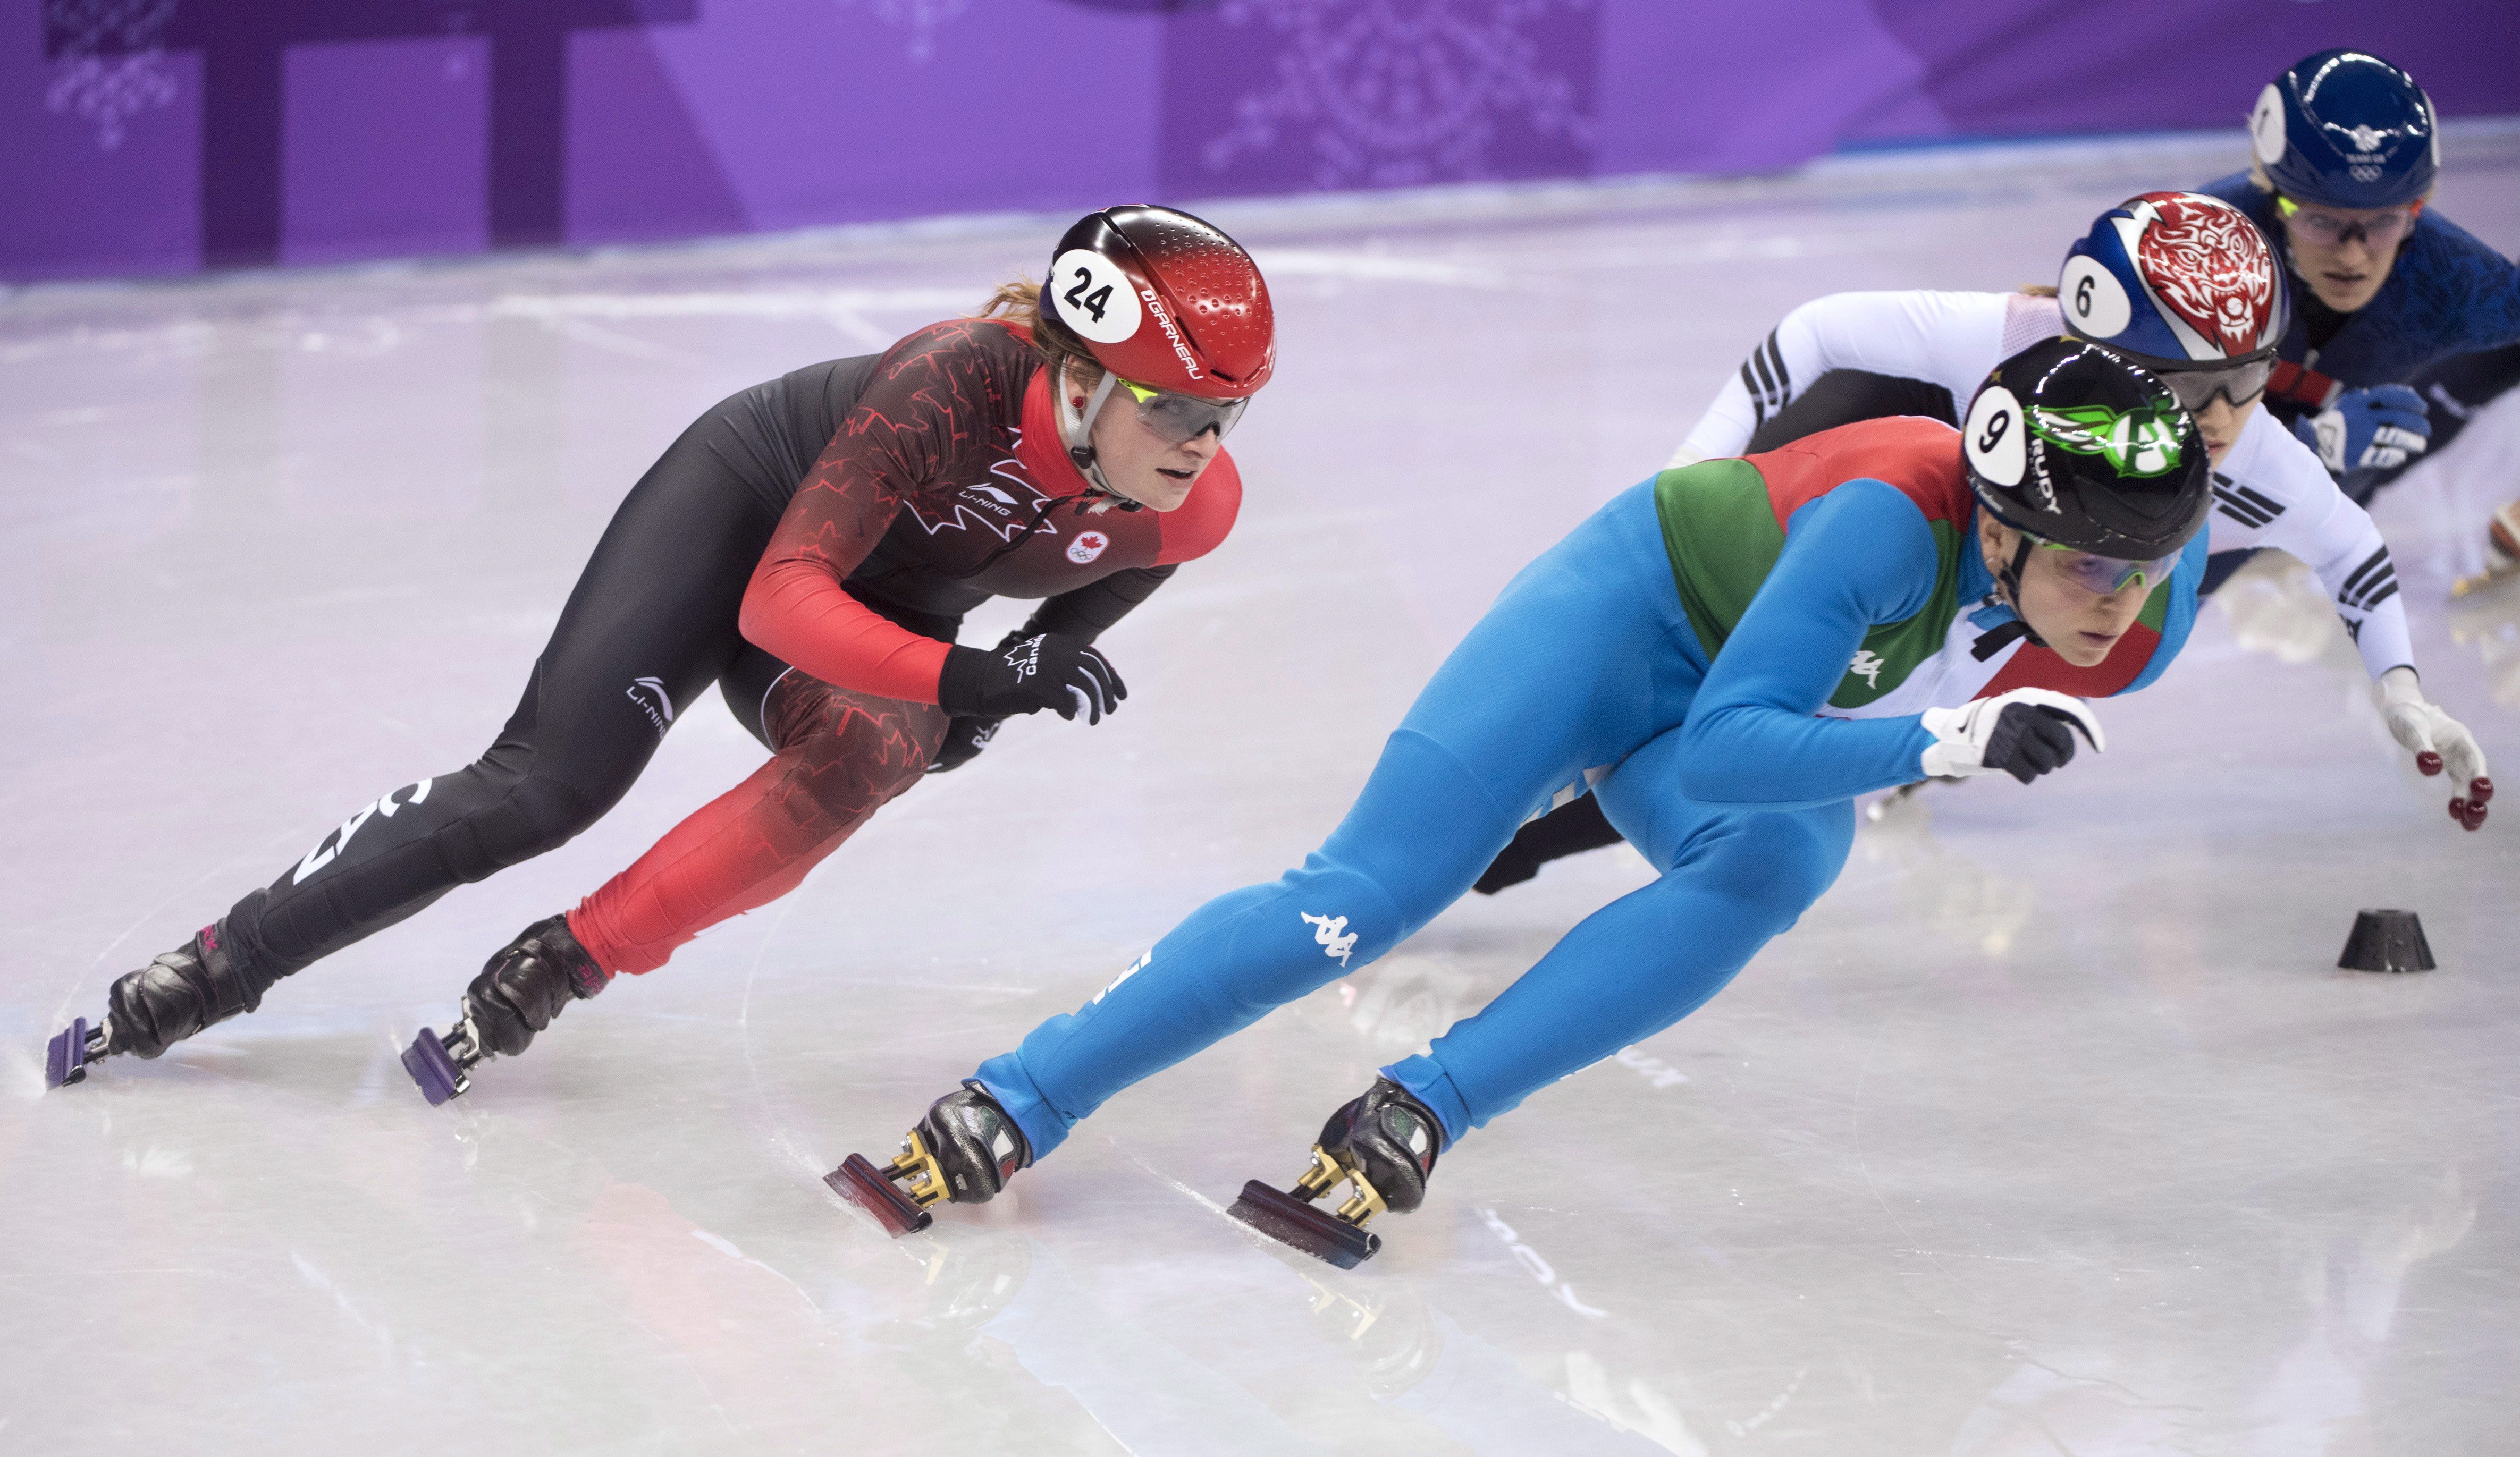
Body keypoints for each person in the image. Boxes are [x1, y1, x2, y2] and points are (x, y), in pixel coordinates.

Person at [832, 340, 2213, 1263]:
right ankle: (1014, 1098)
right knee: (1361, 903)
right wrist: (1944, 738)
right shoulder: (1885, 520)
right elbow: (1733, 744)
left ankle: (1418, 1110)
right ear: (2002, 525)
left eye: (2148, 566)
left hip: (1702, 685)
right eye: (2095, 568)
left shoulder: (2099, 556)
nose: (2123, 599)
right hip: (1606, 628)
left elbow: (1752, 750)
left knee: (1781, 861)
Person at [45, 206, 1276, 1098]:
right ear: (1078, 376)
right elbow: (782, 600)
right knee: (544, 790)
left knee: (881, 749)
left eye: (1225, 413)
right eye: (1173, 405)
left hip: (879, 600)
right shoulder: (953, 384)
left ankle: (566, 957)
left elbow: (1047, 645)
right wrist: (969, 676)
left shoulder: (1191, 510)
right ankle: (218, 965)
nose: (1201, 441)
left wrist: (988, 696)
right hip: (747, 516)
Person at [1476, 190, 2493, 897]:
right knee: (1751, 680)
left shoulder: (2247, 445)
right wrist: (1691, 475)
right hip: (1983, 556)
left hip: (2050, 608)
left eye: (2251, 380)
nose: (2227, 418)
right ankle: (1502, 834)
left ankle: (1509, 840)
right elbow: (1818, 332)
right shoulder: (2011, 337)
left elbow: (2351, 550)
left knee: (1779, 722)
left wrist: (2404, 693)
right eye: (2195, 389)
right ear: (2093, 347)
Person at [2201, 49, 2520, 593]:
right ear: (2273, 199)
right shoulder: (2196, 250)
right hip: (2206, 496)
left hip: (2333, 480)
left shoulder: (2460, 280)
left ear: (2418, 207)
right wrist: (2314, 444)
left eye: (2384, 221)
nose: (2352, 257)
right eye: (2321, 220)